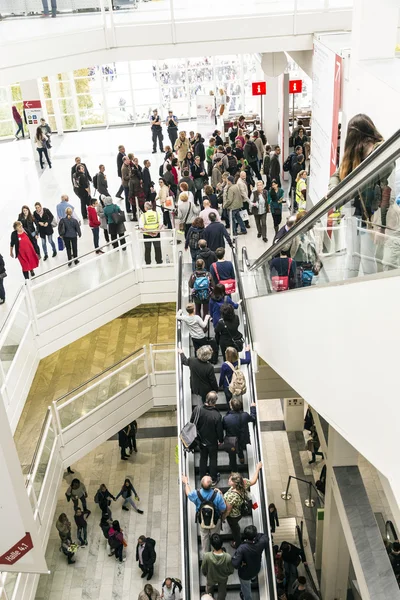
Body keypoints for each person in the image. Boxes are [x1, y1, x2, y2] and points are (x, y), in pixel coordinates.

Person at [182, 474, 227, 552]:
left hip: (202, 520)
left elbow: (188, 494)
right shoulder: (217, 495)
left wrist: (186, 482)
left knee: (204, 536)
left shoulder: (196, 494)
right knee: (215, 536)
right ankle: (214, 551)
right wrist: (221, 494)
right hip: (215, 521)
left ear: (201, 484)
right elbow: (223, 509)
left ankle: (205, 554)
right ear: (211, 484)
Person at [223, 466, 262, 548]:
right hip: (240, 512)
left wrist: (223, 518)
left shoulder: (232, 496)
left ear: (235, 483)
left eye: (230, 480)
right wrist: (257, 468)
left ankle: (238, 542)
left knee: (235, 529)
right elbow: (253, 481)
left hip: (233, 516)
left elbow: (228, 511)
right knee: (235, 525)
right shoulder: (244, 482)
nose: (228, 480)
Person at [232, 525, 269, 600]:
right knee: (253, 575)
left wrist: (241, 563)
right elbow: (264, 536)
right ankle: (253, 578)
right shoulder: (261, 542)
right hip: (256, 567)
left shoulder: (242, 548)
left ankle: (247, 598)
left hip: (245, 573)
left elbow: (235, 564)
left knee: (246, 589)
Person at [223, 395, 256, 471]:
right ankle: (241, 457)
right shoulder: (245, 415)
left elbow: (224, 427)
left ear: (231, 407)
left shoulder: (226, 418)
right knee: (240, 447)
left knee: (232, 456)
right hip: (242, 438)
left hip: (231, 440)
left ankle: (234, 470)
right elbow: (253, 418)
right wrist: (253, 408)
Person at [202, 533, 234, 600]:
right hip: (223, 578)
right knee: (222, 591)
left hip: (211, 577)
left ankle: (210, 597)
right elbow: (231, 570)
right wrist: (226, 574)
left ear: (212, 544)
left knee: (209, 589)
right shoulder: (227, 557)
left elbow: (204, 568)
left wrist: (206, 574)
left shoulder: (207, 556)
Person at [139, 201, 163, 265]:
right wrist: (157, 232)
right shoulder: (157, 214)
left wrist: (149, 233)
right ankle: (159, 261)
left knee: (147, 249)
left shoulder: (143, 215)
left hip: (146, 235)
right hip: (156, 234)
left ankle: (148, 262)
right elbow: (161, 224)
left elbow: (141, 226)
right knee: (157, 248)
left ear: (145, 208)